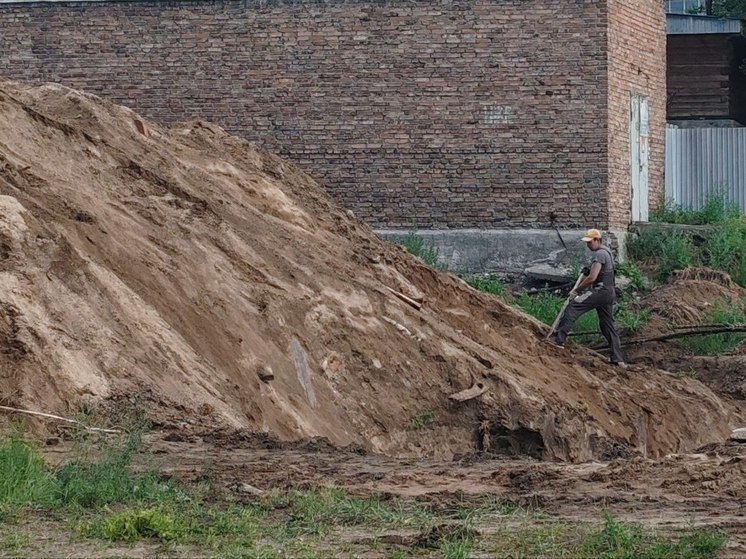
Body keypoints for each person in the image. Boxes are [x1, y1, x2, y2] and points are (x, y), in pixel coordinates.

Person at [549, 229, 626, 367]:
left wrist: (576, 291)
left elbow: (592, 278)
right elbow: (599, 271)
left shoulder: (599, 254)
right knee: (606, 324)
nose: (588, 245)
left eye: (590, 242)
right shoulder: (606, 251)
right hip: (609, 292)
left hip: (600, 291)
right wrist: (589, 269)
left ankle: (558, 340)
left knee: (573, 307)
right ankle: (618, 358)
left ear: (597, 240)